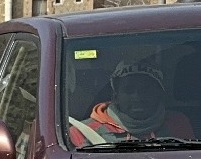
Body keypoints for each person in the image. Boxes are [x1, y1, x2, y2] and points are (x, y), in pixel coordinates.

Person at [68, 60, 197, 146]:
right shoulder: (81, 132)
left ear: (159, 94)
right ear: (115, 96)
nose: (137, 97)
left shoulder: (178, 123)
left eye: (145, 90)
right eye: (129, 90)